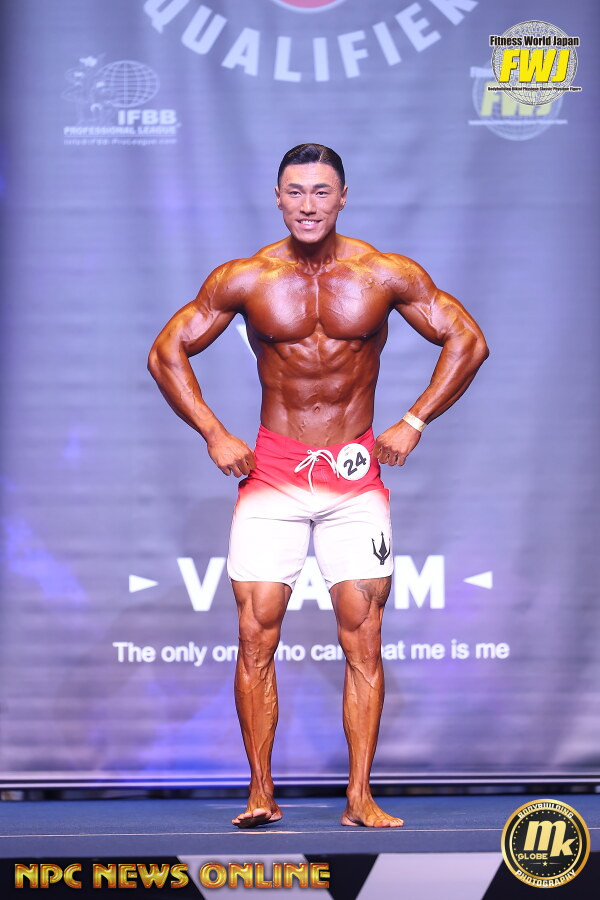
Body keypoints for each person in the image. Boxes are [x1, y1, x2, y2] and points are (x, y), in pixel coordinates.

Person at [147, 143, 489, 829]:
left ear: (343, 197)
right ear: (278, 198)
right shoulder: (247, 277)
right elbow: (166, 351)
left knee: (363, 638)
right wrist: (214, 432)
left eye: (322, 191)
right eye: (296, 192)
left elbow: (467, 340)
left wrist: (414, 420)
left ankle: (359, 797)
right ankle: (260, 792)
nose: (309, 205)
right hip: (273, 473)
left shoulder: (383, 273)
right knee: (256, 635)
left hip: (354, 477)